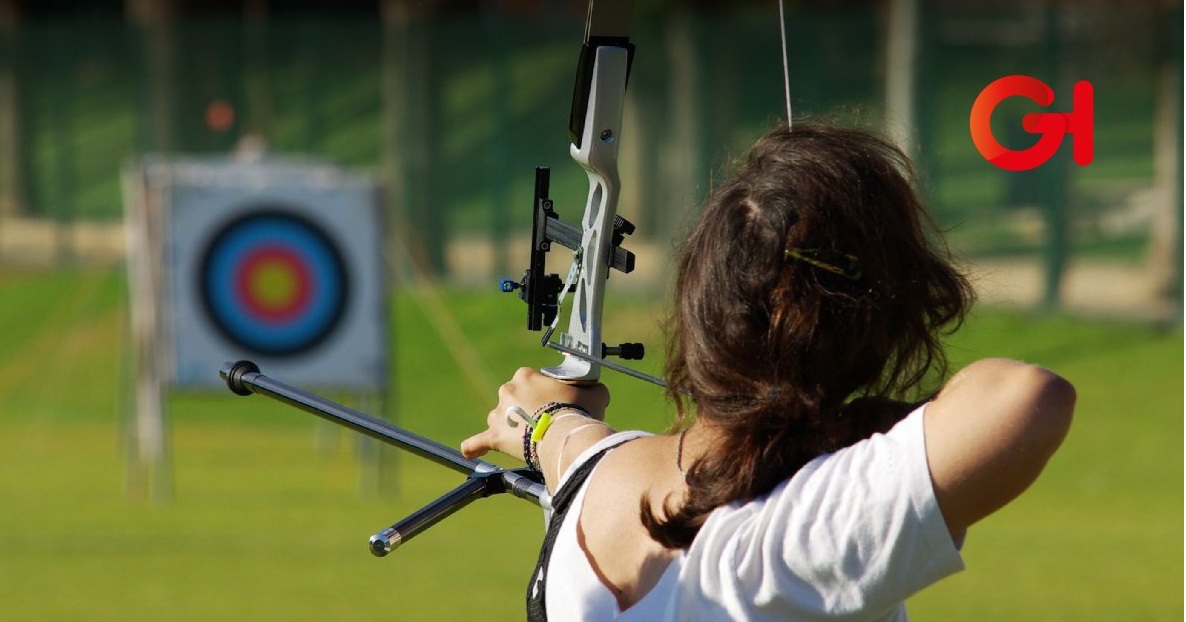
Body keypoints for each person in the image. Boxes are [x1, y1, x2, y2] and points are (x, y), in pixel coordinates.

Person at [461, 122, 1075, 621]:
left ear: (699, 300)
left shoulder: (593, 478)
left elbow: (570, 441)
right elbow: (1028, 399)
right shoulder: (795, 539)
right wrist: (855, 425)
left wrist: (545, 422)